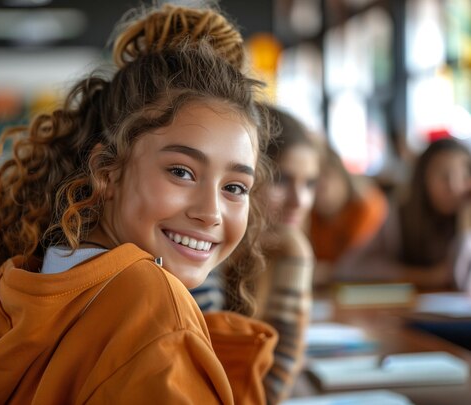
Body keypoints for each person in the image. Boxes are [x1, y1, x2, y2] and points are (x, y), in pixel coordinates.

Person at [0, 4, 278, 404]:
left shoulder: (28, 281)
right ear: (107, 172)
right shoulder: (153, 305)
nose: (210, 212)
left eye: (236, 188)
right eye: (181, 172)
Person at [192, 105, 318, 405]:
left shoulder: (280, 250)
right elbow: (260, 394)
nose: (299, 201)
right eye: (282, 180)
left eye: (310, 184)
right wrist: (298, 261)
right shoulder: (198, 251)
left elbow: (273, 384)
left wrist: (296, 259)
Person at [336, 137, 471, 291]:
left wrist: (465, 231)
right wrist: (425, 277)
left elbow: (463, 284)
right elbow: (349, 268)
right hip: (412, 309)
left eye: (464, 175)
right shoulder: (399, 218)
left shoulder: (466, 218)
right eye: (443, 176)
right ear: (422, 179)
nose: (454, 186)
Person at [309, 144, 388, 287]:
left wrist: (328, 271)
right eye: (312, 181)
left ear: (342, 175)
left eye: (327, 175)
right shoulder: (311, 215)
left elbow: (356, 265)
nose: (321, 186)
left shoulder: (366, 206)